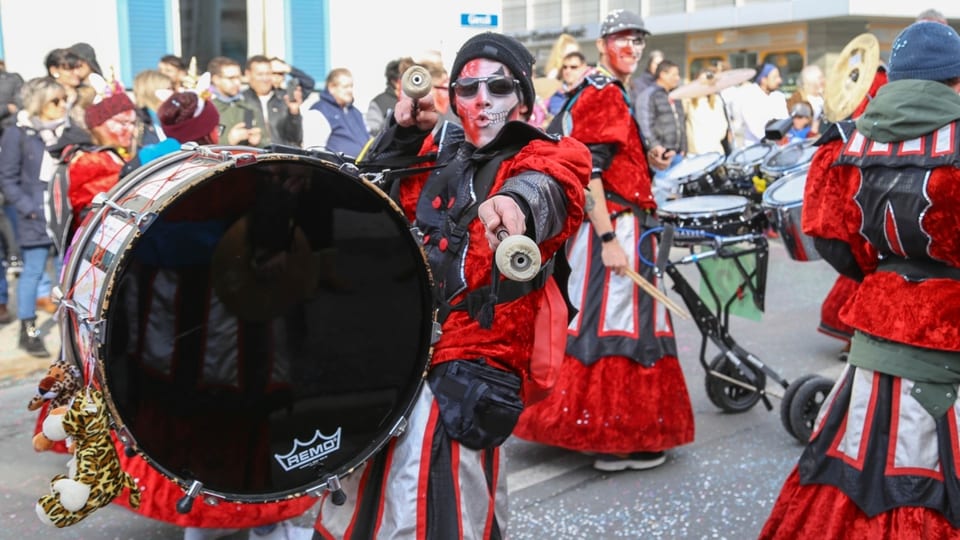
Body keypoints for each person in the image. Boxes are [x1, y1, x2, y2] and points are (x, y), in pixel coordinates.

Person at [313, 31, 590, 537]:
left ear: (523, 98)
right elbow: (366, 195)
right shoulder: (437, 148)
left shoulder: (550, 152)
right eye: (468, 89)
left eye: (499, 87)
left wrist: (517, 206)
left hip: (471, 364)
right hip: (397, 354)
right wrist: (399, 133)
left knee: (439, 503)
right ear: (453, 98)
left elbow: (551, 187)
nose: (482, 100)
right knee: (366, 500)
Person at [761, 21, 960, 538]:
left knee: (857, 466)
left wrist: (881, 275)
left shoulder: (846, 141)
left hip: (876, 327)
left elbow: (829, 236)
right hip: (950, 327)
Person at [514, 9, 694, 472]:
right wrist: (611, 238)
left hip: (606, 226)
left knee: (596, 322)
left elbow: (598, 159)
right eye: (623, 39)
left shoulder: (597, 90)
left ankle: (593, 426)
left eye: (638, 41)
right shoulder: (605, 93)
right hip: (613, 228)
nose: (632, 48)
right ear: (602, 45)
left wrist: (643, 157)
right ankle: (612, 437)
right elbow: (589, 170)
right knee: (617, 324)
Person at [0, 77, 73, 357]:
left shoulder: (67, 131)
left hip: (62, 213)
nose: (62, 105)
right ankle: (27, 330)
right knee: (32, 270)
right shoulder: (18, 133)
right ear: (39, 102)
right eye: (56, 100)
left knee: (65, 271)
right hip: (34, 214)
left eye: (63, 99)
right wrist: (28, 207)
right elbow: (7, 179)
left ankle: (69, 325)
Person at [637, 59, 687, 205]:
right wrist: (655, 146)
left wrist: (683, 147)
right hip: (661, 157)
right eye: (674, 74)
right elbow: (645, 122)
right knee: (662, 196)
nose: (677, 78)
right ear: (663, 74)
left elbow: (681, 122)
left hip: (677, 154)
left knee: (678, 197)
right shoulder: (649, 94)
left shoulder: (675, 95)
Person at [301, 67, 368, 156]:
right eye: (345, 87)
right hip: (337, 168)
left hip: (363, 167)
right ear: (331, 87)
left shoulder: (355, 112)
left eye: (351, 86)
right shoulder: (319, 112)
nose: (350, 90)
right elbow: (313, 152)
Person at [241, 55, 303, 147]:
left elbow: (296, 138)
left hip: (283, 157)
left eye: (268, 74)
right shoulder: (241, 100)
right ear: (248, 74)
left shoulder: (284, 98)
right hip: (255, 157)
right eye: (260, 74)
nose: (265, 79)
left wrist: (294, 112)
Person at [207, 56, 262, 147]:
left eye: (238, 78)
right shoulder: (205, 109)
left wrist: (257, 142)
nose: (237, 83)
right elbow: (198, 147)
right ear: (216, 79)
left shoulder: (247, 107)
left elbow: (266, 144)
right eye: (231, 78)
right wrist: (228, 140)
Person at [736, 63, 789, 146]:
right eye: (775, 77)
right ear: (763, 80)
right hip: (756, 150)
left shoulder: (779, 96)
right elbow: (757, 130)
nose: (780, 80)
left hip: (777, 147)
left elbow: (785, 122)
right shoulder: (749, 96)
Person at [683, 68, 731, 155]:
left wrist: (715, 137)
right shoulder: (688, 101)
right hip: (695, 154)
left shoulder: (717, 100)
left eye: (707, 82)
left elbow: (723, 125)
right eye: (702, 82)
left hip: (715, 152)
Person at [365, 57, 413, 137]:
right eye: (406, 78)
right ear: (395, 81)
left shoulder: (417, 99)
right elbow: (373, 132)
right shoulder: (379, 103)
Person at [130, 69, 173, 153]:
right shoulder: (138, 123)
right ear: (152, 92)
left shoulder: (168, 119)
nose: (173, 92)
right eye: (168, 88)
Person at [546, 51, 588, 116]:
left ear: (584, 68)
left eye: (573, 67)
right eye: (565, 67)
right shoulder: (555, 95)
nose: (568, 71)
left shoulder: (590, 92)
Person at [787, 64, 825, 133]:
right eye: (820, 78)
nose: (823, 80)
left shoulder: (824, 97)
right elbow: (796, 122)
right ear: (811, 80)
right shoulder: (798, 98)